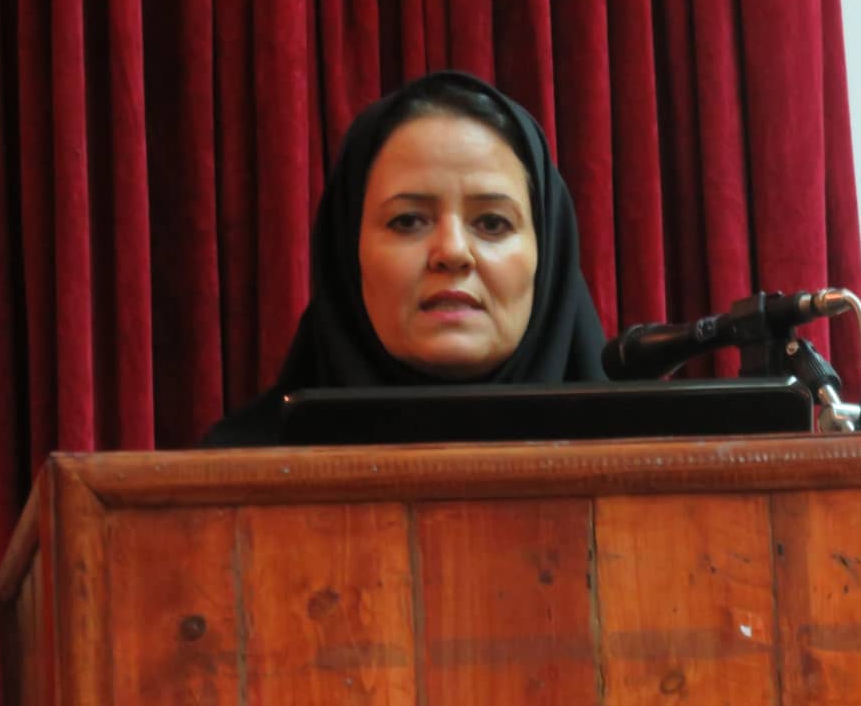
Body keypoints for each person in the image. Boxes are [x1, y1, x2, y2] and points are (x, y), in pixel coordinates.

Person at [204, 70, 607, 446]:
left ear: (548, 256)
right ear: (347, 252)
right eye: (408, 221)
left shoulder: (639, 465)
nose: (452, 252)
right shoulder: (225, 480)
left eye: (492, 223)